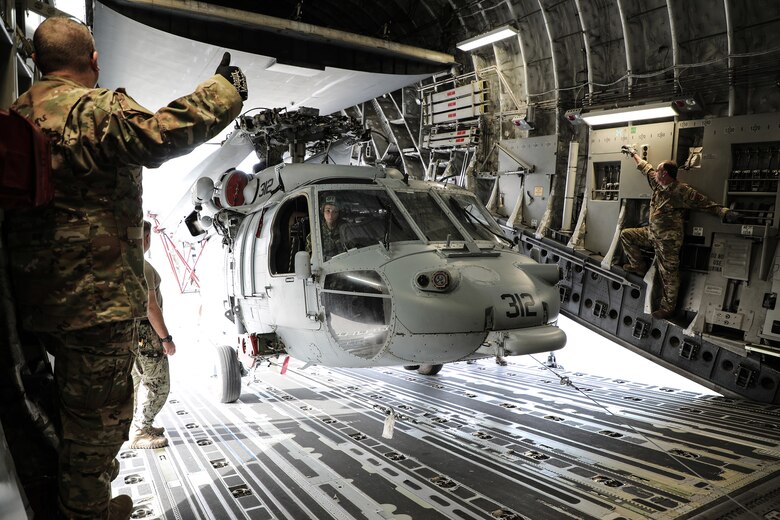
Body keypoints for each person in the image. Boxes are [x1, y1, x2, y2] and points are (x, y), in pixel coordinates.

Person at [3, 17, 245, 520]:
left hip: (37, 297)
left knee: (64, 409)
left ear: (37, 60)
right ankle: (87, 514)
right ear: (94, 61)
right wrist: (226, 90)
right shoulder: (94, 109)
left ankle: (82, 502)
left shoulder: (19, 113)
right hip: (97, 300)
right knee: (98, 425)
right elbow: (161, 135)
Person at [620, 150, 740, 320]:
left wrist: (725, 213)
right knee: (626, 235)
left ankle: (667, 308)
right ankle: (638, 266)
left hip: (668, 241)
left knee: (668, 274)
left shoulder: (681, 191)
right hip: (652, 234)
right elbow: (646, 168)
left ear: (665, 174)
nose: (655, 173)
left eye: (658, 171)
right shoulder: (657, 184)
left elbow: (704, 203)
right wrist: (633, 154)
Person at [130, 221, 175, 450]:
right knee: (158, 384)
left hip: (133, 333)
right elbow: (151, 307)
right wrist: (166, 339)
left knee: (138, 381)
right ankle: (141, 431)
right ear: (146, 237)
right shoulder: (143, 266)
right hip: (147, 334)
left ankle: (139, 425)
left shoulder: (127, 263)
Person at [306, 196, 353, 260]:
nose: (331, 215)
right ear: (323, 212)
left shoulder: (346, 228)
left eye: (335, 211)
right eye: (328, 210)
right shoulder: (317, 231)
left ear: (339, 214)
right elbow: (310, 256)